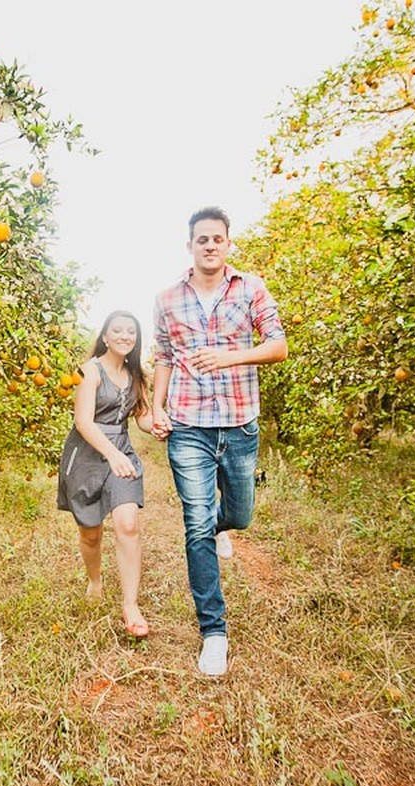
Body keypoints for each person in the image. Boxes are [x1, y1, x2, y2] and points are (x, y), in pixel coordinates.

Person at [150, 206, 287, 676]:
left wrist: (229, 358)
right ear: (189, 246)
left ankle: (221, 525)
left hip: (239, 422)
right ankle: (214, 631)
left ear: (229, 244)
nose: (210, 245)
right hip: (188, 425)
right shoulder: (168, 298)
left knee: (239, 515)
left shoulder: (250, 289)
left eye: (218, 238)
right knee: (195, 523)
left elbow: (277, 346)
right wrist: (156, 407)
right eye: (202, 239)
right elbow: (163, 356)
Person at [57, 310, 154, 637]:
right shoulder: (90, 371)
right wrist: (110, 454)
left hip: (121, 455)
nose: (125, 336)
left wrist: (159, 425)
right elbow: (84, 422)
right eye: (118, 330)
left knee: (128, 524)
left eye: (131, 331)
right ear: (106, 335)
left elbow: (142, 416)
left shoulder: (136, 374)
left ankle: (130, 605)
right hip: (87, 455)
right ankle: (95, 581)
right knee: (91, 533)